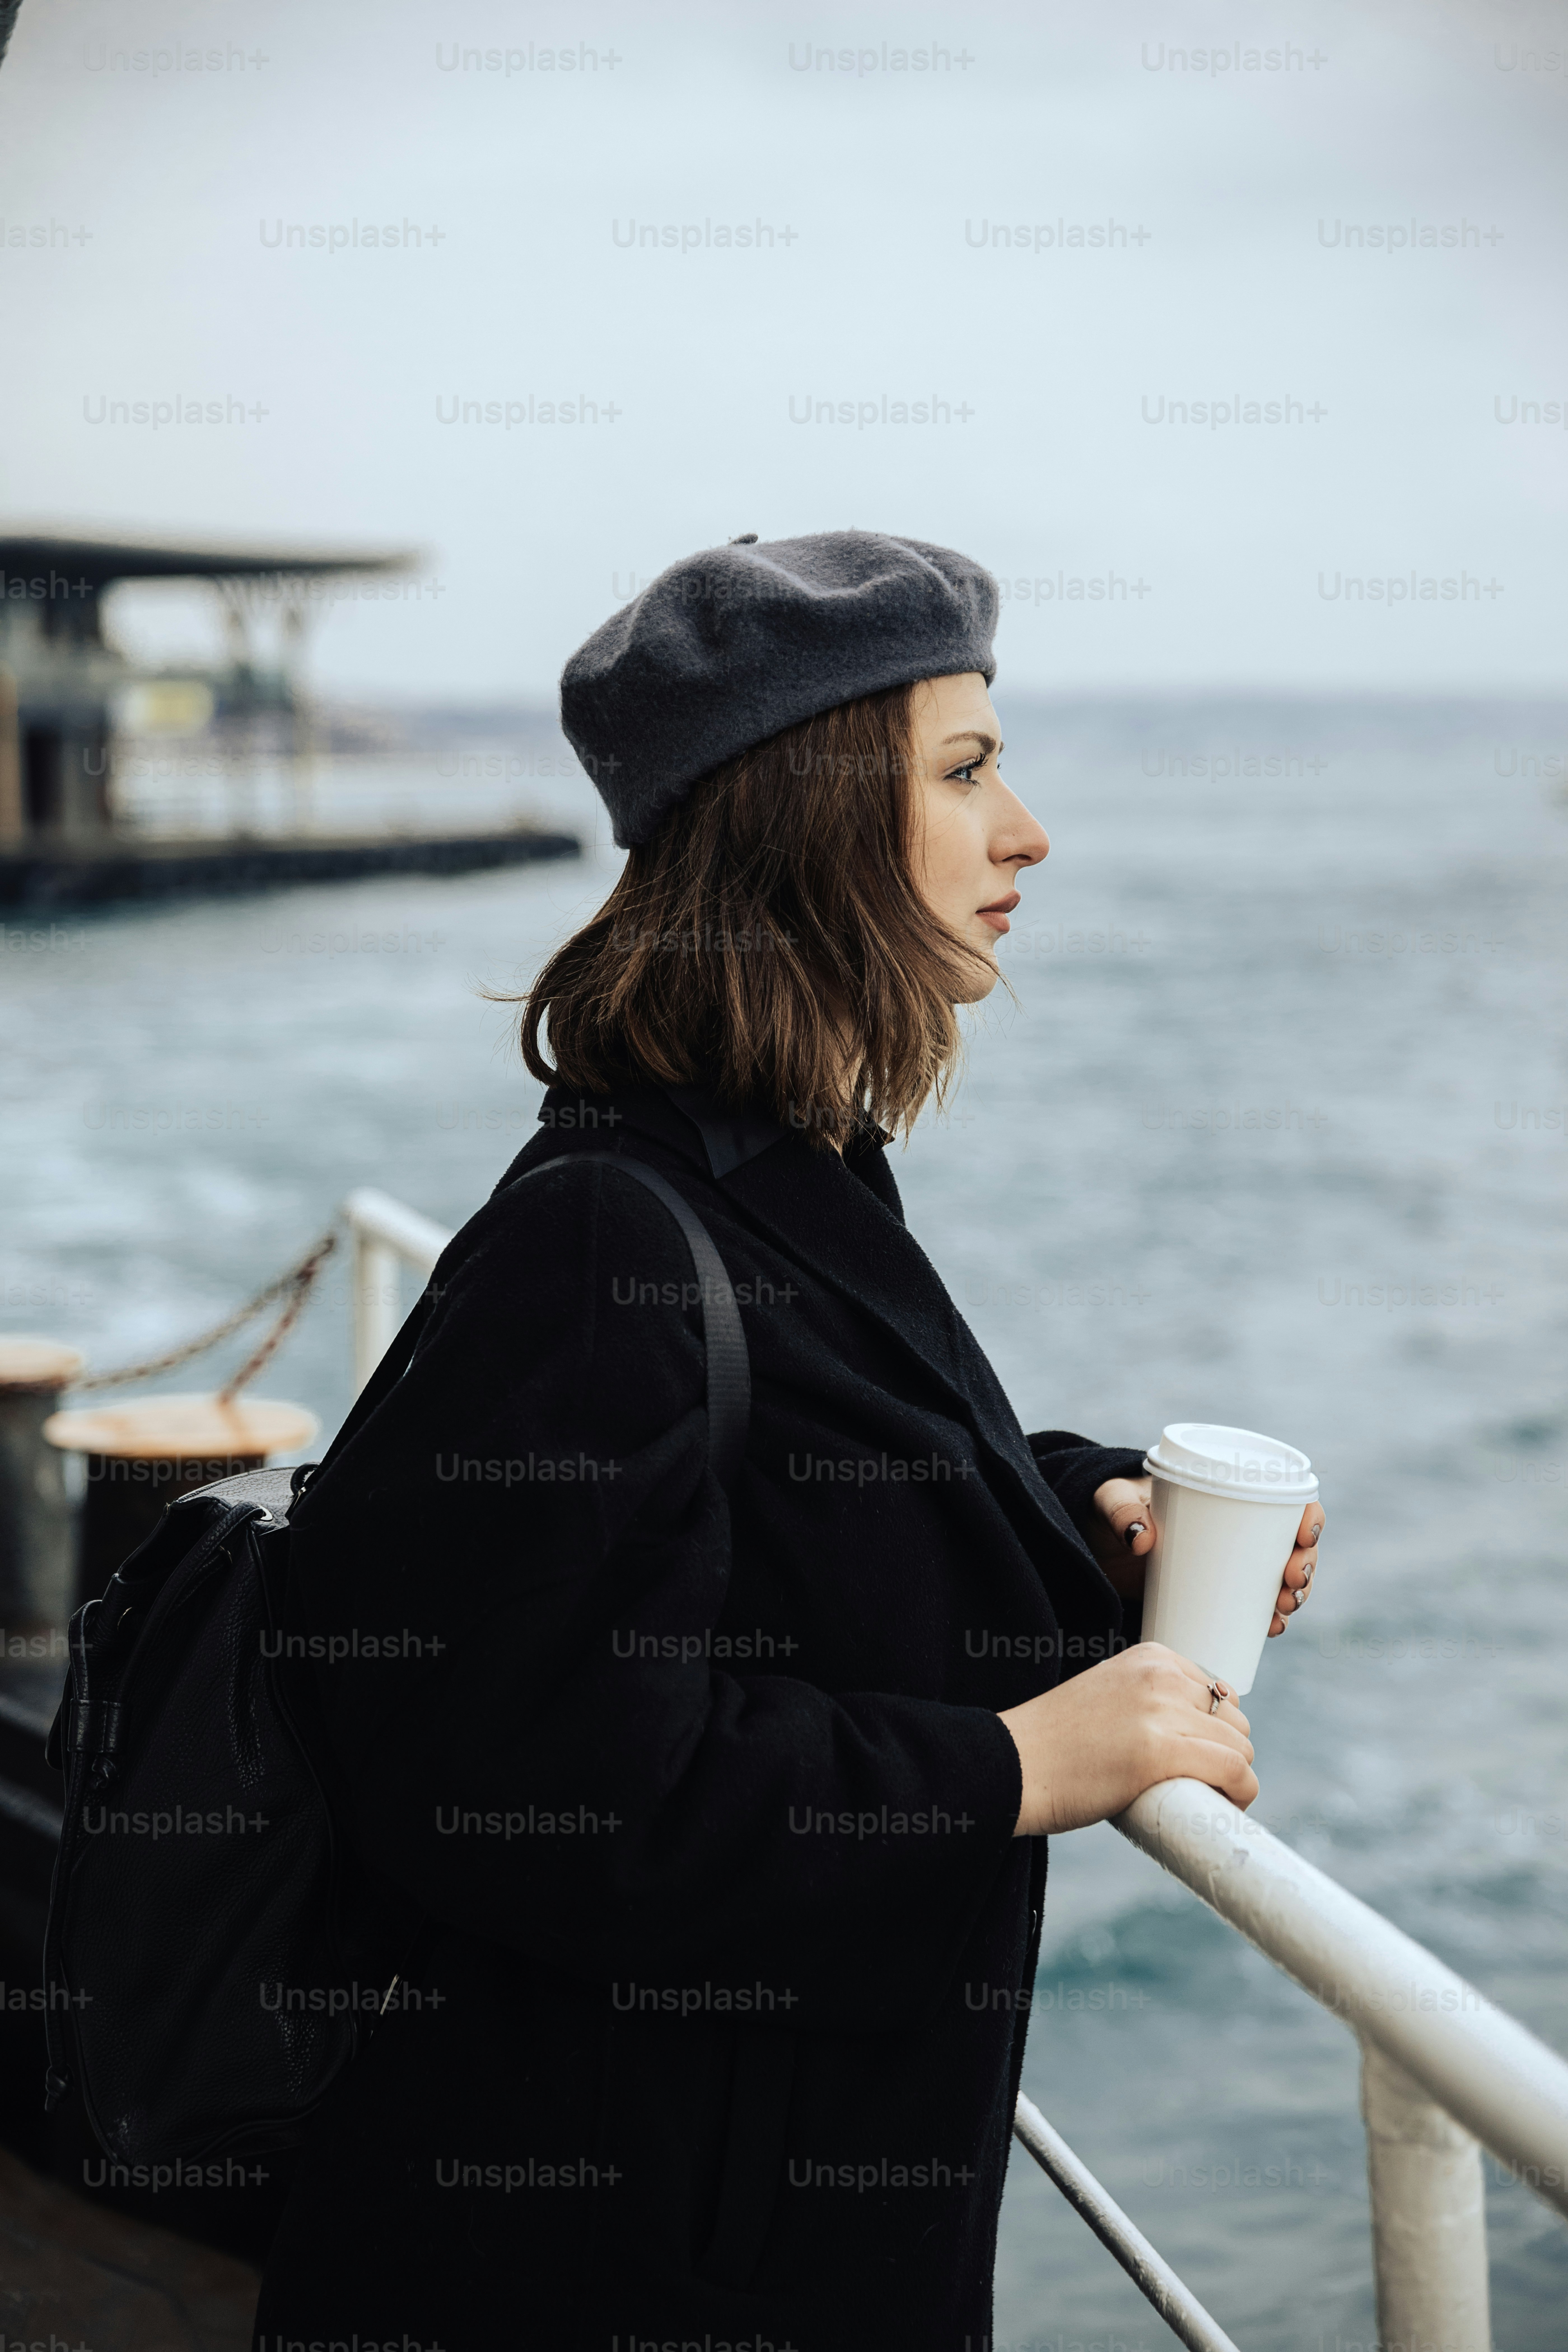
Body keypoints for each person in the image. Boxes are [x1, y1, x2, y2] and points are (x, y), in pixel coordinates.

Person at [253, 530, 1323, 2352]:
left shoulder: (772, 1164)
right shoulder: (609, 1239)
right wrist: (1016, 1768)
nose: (1027, 834)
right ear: (809, 822)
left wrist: (1089, 1514)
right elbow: (554, 1792)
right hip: (619, 2266)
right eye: (968, 772)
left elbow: (796, 1509)